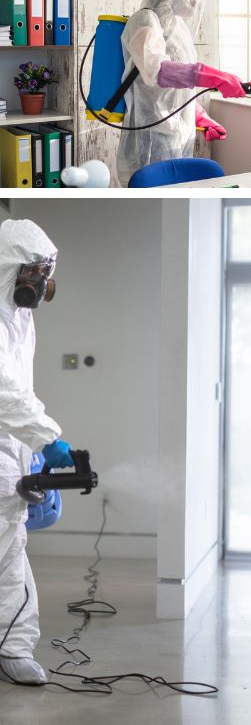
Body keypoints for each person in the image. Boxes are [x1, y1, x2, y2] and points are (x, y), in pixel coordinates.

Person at [0, 220, 75, 685]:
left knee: (10, 553)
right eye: (34, 272)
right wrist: (46, 437)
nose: (41, 283)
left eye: (45, 273)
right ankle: (12, 648)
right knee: (8, 552)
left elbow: (19, 391)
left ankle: (13, 647)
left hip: (9, 449)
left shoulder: (17, 317)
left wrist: (32, 453)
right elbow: (5, 392)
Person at [117, 0, 247, 186]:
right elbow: (157, 72)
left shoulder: (179, 28)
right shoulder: (144, 21)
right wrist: (211, 76)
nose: (195, 2)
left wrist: (200, 116)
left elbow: (177, 91)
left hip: (180, 135)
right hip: (150, 136)